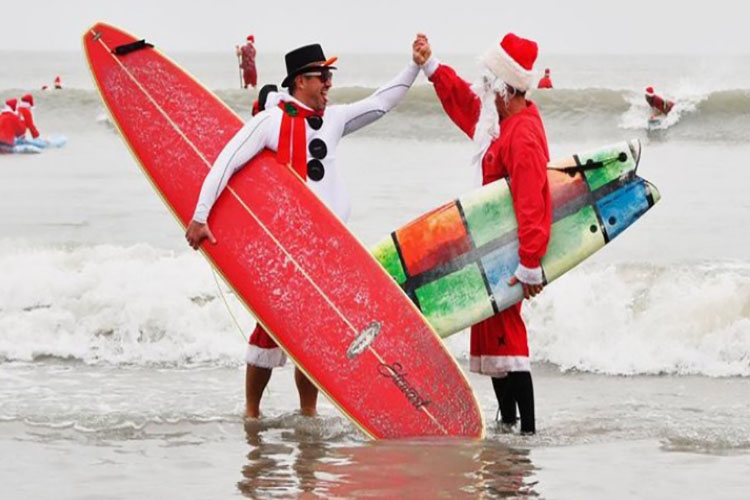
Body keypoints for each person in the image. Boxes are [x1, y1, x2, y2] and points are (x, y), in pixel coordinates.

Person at [186, 41, 424, 419]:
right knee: (268, 330)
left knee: (313, 334)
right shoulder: (270, 122)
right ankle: (251, 413)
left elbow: (382, 102)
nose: (329, 84)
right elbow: (226, 163)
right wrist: (201, 217)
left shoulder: (334, 118)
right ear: (300, 81)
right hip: (287, 250)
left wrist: (415, 66)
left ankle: (308, 414)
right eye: (322, 77)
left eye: (330, 77)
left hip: (328, 249)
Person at [414, 32, 551, 435]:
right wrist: (431, 65)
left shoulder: (522, 134)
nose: (482, 88)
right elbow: (465, 103)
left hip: (509, 254)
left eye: (488, 81)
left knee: (508, 336)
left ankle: (528, 432)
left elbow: (533, 201)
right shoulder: (499, 121)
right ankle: (507, 423)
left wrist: (530, 262)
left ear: (505, 88)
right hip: (489, 251)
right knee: (491, 333)